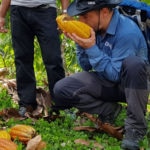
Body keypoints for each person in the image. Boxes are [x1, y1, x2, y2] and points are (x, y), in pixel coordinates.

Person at [53, 0, 149, 149]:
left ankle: (136, 128)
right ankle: (110, 110)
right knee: (61, 89)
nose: (81, 21)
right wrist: (81, 44)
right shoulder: (95, 28)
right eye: (79, 17)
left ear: (104, 12)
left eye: (85, 16)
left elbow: (116, 76)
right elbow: (85, 66)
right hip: (106, 82)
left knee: (133, 64)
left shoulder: (127, 32)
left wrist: (91, 48)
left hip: (131, 87)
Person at [0, 0, 69, 116]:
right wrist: (1, 15)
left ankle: (61, 105)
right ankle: (26, 104)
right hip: (19, 10)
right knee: (22, 58)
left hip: (46, 11)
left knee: (53, 58)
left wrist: (65, 12)